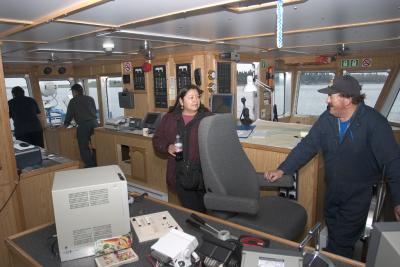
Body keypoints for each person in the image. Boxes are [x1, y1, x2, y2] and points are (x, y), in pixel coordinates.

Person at [264, 75, 400, 258]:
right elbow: (307, 145)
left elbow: (393, 162)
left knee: (342, 243)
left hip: (357, 194)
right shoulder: (327, 118)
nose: (327, 100)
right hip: (333, 189)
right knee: (334, 231)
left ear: (347, 99)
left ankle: (335, 259)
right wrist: (282, 169)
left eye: (332, 96)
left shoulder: (375, 123)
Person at [153, 85, 212, 212]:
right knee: (194, 211)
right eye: (191, 97)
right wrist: (167, 147)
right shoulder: (169, 118)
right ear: (181, 101)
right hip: (179, 173)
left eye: (197, 97)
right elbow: (157, 140)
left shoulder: (208, 118)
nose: (196, 100)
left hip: (203, 175)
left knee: (204, 211)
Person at [64, 84, 98, 168]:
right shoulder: (90, 98)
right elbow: (94, 110)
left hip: (83, 125)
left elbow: (69, 114)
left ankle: (89, 165)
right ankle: (96, 162)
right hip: (94, 123)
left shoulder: (73, 101)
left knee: (83, 146)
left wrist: (66, 124)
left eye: (72, 92)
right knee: (95, 145)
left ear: (75, 92)